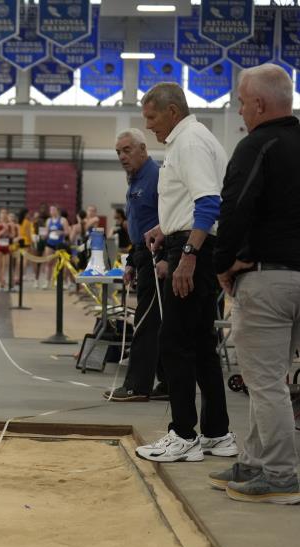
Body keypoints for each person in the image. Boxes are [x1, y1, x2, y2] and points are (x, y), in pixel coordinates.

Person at [210, 64, 300, 504]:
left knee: (264, 383)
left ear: (260, 104)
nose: (241, 111)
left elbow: (234, 208)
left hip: (268, 280)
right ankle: (254, 462)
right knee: (271, 379)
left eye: (243, 103)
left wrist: (222, 263)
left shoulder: (257, 145)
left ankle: (282, 476)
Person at [134, 82, 237, 463]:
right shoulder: (192, 139)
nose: (149, 126)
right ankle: (217, 433)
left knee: (174, 342)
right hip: (192, 243)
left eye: (152, 117)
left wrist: (188, 254)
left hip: (194, 249)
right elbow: (195, 202)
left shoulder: (189, 142)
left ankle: (183, 435)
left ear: (172, 111)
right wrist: (166, 227)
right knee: (201, 344)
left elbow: (209, 203)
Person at [105, 128, 167, 403]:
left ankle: (137, 386)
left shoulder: (157, 177)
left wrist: (166, 258)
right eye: (118, 152)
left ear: (143, 149)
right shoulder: (134, 180)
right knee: (159, 322)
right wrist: (131, 260)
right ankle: (168, 382)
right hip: (143, 254)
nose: (122, 156)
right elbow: (140, 226)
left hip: (158, 256)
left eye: (127, 150)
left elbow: (171, 220)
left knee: (145, 321)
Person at [40, 205, 70, 288]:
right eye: (50, 210)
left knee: (59, 263)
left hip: (59, 244)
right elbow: (46, 232)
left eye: (53, 210)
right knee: (49, 262)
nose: (51, 211)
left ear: (58, 210)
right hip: (50, 243)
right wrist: (43, 236)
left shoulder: (63, 220)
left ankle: (59, 280)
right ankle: (47, 282)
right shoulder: (48, 220)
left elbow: (67, 232)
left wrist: (61, 232)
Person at [0, 211, 14, 291]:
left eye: (5, 214)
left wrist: (8, 233)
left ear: (7, 216)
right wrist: (1, 233)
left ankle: (7, 282)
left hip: (7, 246)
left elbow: (13, 235)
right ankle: (1, 284)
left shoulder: (10, 225)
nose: (4, 215)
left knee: (7, 265)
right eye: (2, 214)